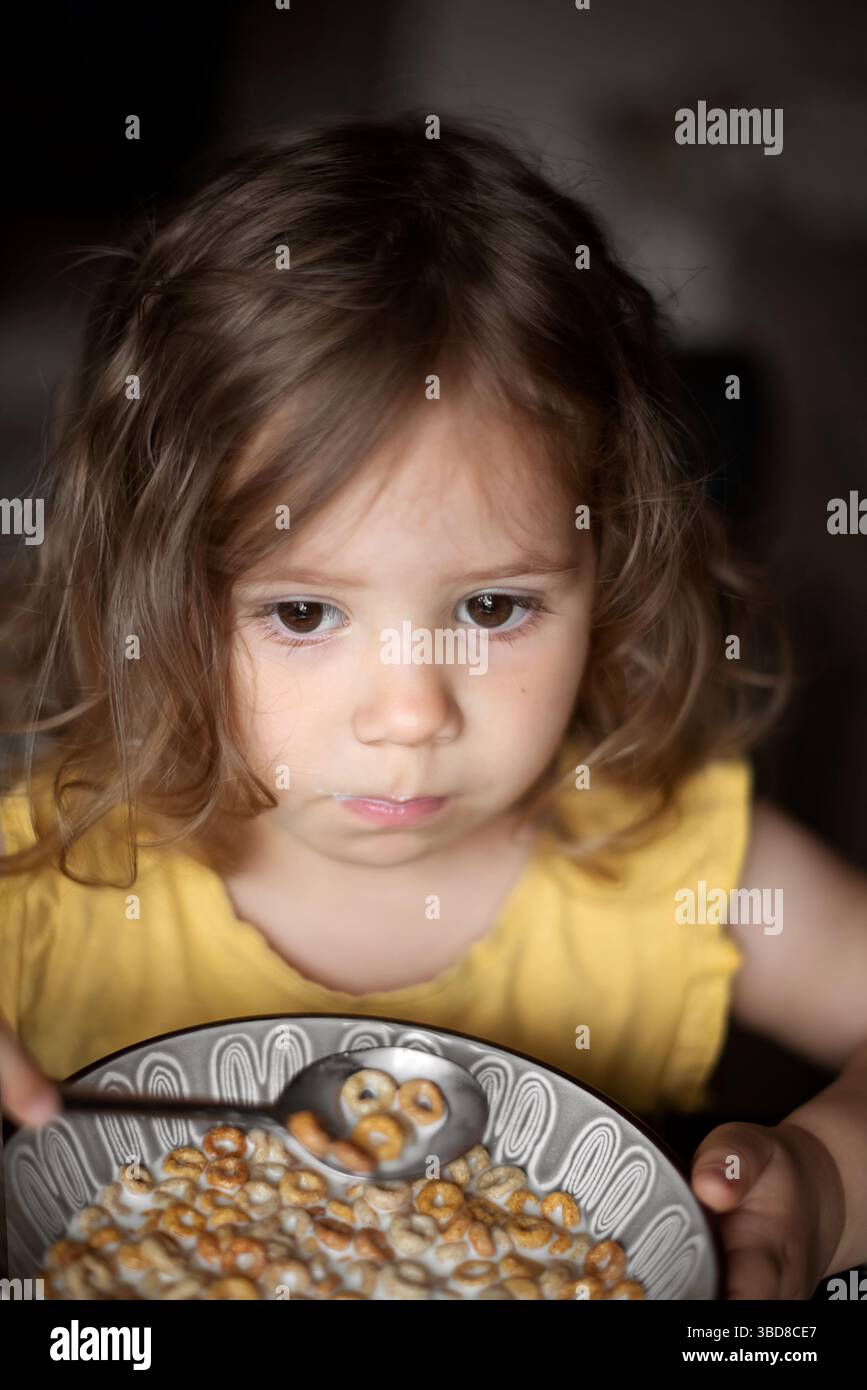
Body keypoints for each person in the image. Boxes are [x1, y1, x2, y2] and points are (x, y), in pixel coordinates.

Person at [1, 112, 865, 1300]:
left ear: (609, 573)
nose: (410, 714)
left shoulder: (674, 866)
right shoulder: (49, 884)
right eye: (302, 615)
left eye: (493, 606)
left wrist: (828, 1176)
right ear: (157, 590)